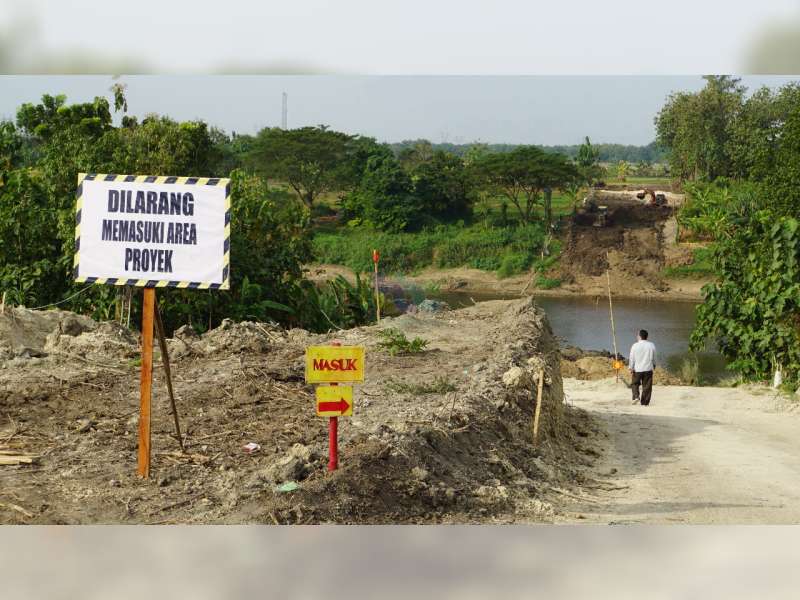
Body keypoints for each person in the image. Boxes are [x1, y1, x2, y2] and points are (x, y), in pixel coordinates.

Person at [629, 329, 656, 406]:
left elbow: (632, 358)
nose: (637, 336)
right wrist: (654, 364)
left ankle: (636, 397)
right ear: (647, 337)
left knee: (634, 384)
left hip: (637, 369)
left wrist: (631, 367)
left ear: (640, 336)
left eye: (637, 335)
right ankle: (645, 403)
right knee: (647, 386)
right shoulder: (651, 345)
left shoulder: (635, 345)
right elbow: (654, 357)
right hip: (648, 369)